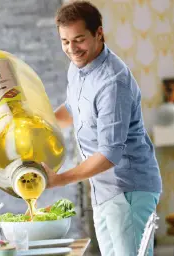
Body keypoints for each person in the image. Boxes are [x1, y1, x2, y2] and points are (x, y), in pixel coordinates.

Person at [41, 1, 162, 256]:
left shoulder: (113, 82)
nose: (72, 49)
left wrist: (59, 180)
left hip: (128, 189)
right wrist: (38, 123)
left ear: (99, 33)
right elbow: (73, 110)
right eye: (65, 41)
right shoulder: (78, 68)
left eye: (79, 39)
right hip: (104, 190)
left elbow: (109, 155)